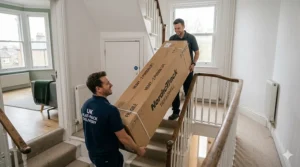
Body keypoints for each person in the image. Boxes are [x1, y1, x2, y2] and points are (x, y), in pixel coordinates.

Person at [81, 71, 146, 167]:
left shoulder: (86, 104)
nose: (111, 85)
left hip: (93, 153)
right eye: (107, 84)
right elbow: (124, 138)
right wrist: (138, 150)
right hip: (108, 157)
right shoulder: (110, 110)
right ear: (98, 89)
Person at [168, 18, 200, 120]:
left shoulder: (190, 38)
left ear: (184, 27)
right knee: (174, 91)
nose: (177, 30)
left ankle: (188, 113)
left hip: (187, 70)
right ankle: (175, 112)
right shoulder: (172, 38)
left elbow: (197, 52)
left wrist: (193, 63)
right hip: (175, 70)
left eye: (179, 28)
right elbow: (169, 53)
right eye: (175, 28)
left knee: (188, 92)